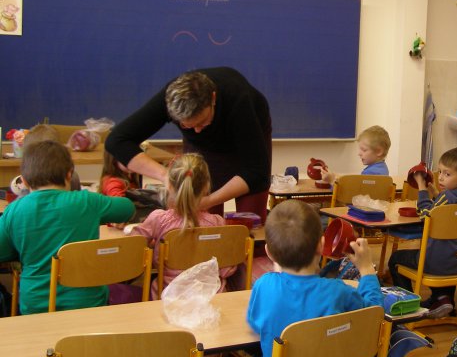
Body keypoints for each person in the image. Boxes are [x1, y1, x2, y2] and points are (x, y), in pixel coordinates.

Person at [247, 199, 385, 357]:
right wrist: (367, 269)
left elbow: (255, 322)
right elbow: (374, 317)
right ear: (322, 245)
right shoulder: (338, 292)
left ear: (269, 253)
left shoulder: (264, 286)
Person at [105, 67, 272, 222]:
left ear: (213, 99)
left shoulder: (239, 99)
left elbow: (257, 172)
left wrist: (209, 200)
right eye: (187, 126)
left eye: (203, 122)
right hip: (202, 149)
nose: (197, 131)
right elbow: (117, 141)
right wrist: (165, 176)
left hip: (248, 139)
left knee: (250, 222)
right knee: (201, 221)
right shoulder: (171, 99)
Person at [0, 141, 134, 314]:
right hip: (88, 304)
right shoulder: (87, 201)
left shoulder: (14, 210)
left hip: (35, 306)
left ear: (24, 181)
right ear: (70, 174)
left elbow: (2, 251)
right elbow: (127, 208)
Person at [388, 147, 457, 318]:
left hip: (436, 262)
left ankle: (409, 307)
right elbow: (449, 212)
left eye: (447, 174)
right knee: (448, 247)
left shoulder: (447, 198)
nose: (440, 177)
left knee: (395, 259)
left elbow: (425, 215)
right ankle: (443, 300)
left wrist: (422, 188)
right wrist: (437, 194)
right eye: (440, 171)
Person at [129, 153, 236, 298]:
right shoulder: (217, 223)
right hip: (211, 298)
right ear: (206, 187)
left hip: (168, 297)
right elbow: (226, 270)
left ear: (169, 185)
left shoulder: (159, 220)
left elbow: (133, 246)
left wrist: (155, 248)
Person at [319, 125, 391, 184]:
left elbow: (352, 195)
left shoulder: (370, 174)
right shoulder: (382, 169)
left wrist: (332, 181)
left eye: (364, 150)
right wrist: (336, 176)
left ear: (379, 151)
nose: (359, 154)